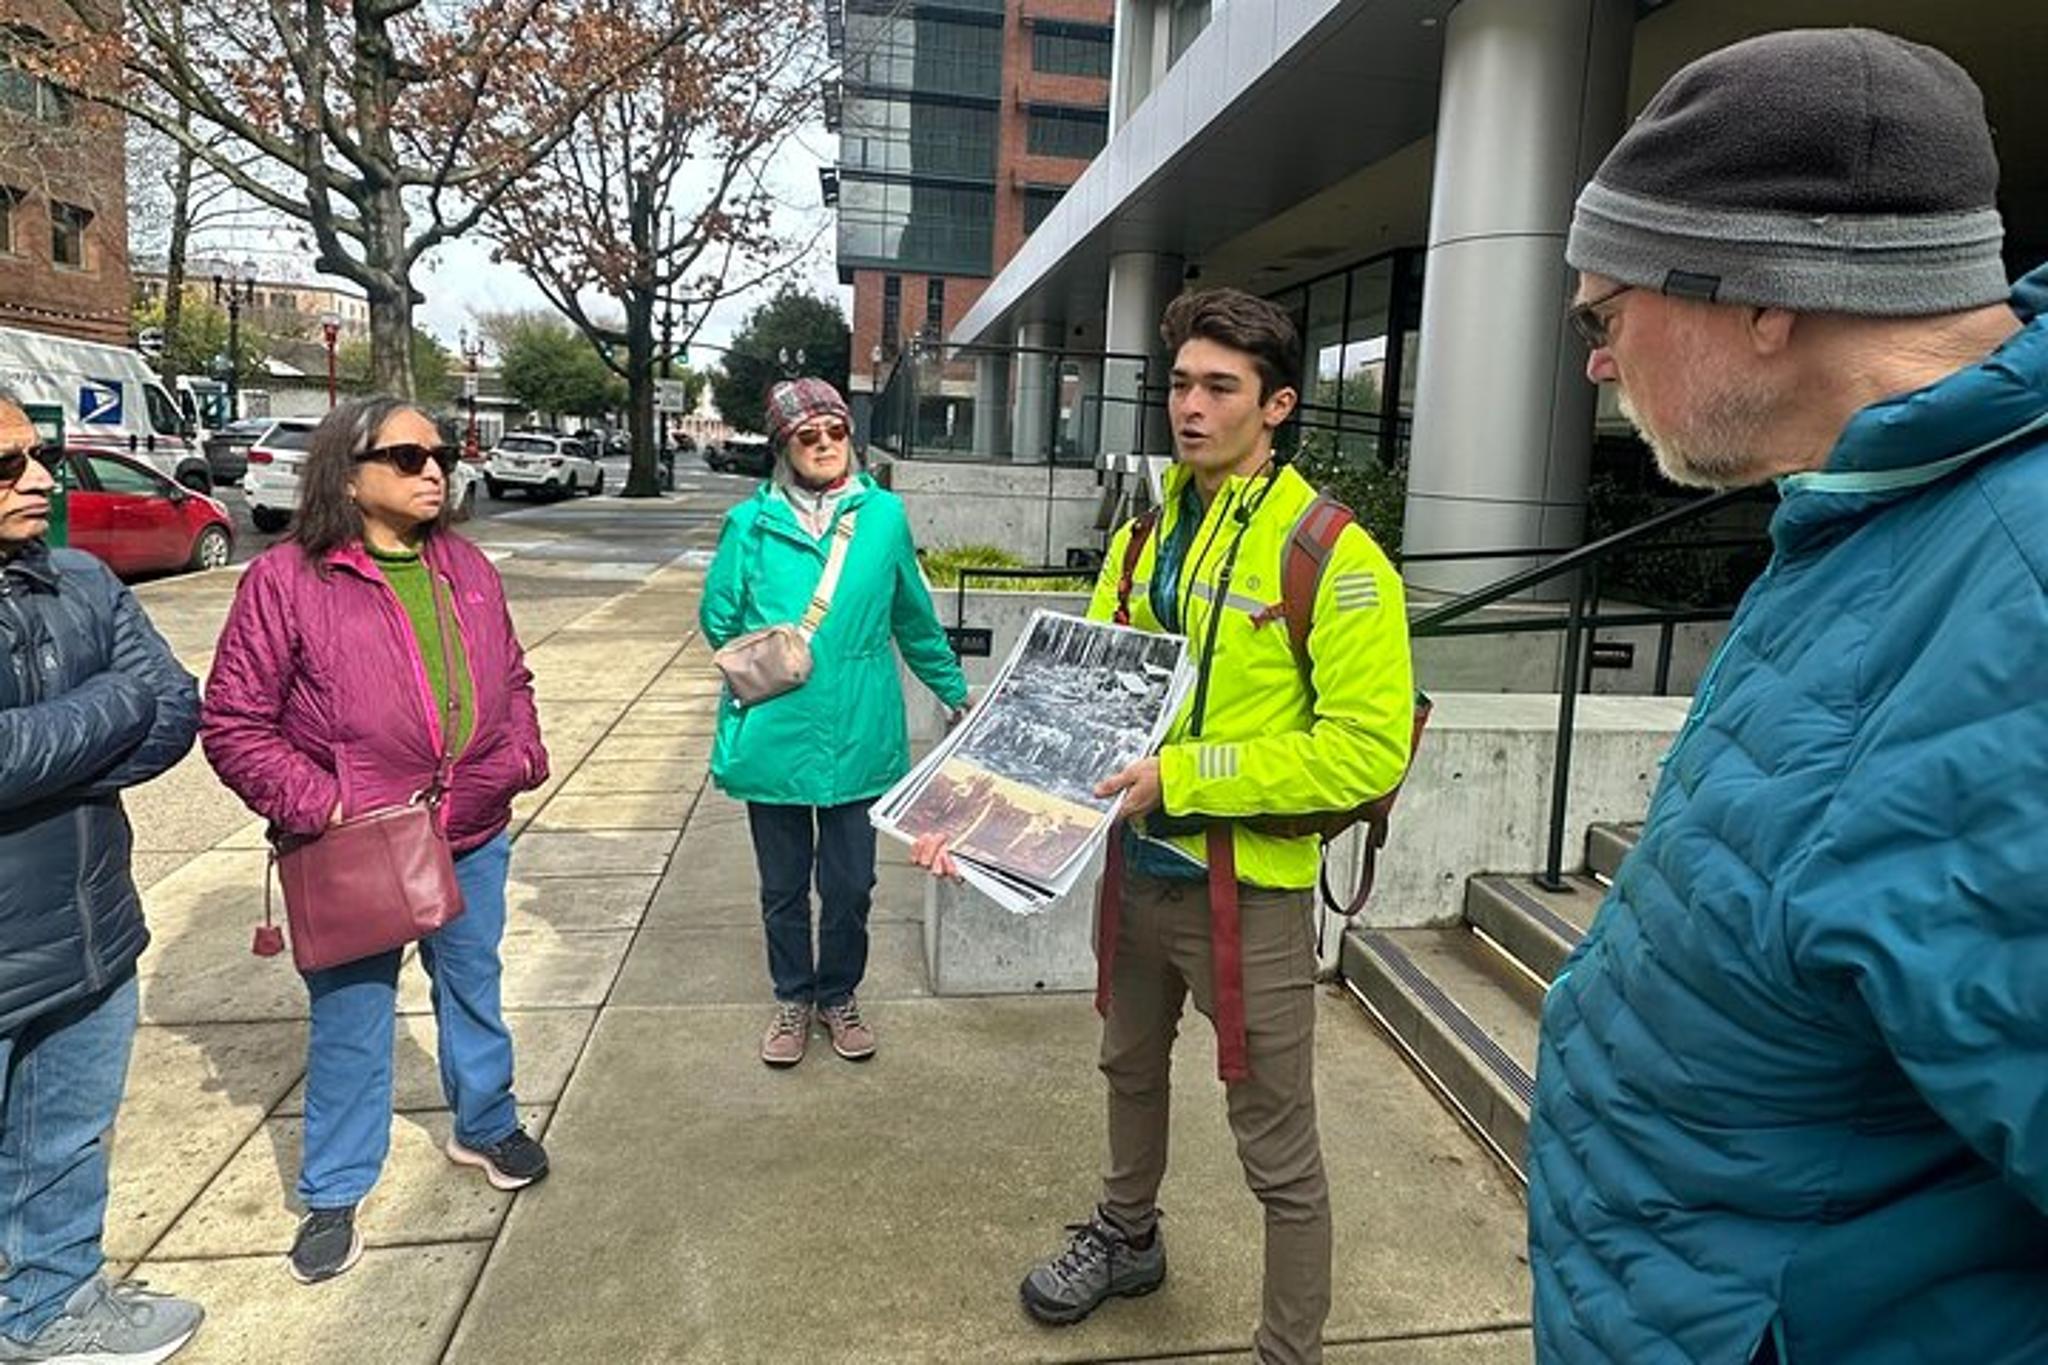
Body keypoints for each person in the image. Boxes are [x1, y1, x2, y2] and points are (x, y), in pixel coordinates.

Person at [1529, 29, 2048, 1365]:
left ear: (1764, 295)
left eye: (1604, 313)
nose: (1593, 359)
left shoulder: (2017, 597)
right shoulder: (1880, 519)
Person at [918, 291, 1414, 1364]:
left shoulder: (1332, 554)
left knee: (1276, 1148)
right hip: (1132, 878)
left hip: (1250, 895)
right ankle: (1126, 1237)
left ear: (1276, 404)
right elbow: (1065, 707)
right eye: (1179, 384)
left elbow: (1367, 750)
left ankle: (1288, 1349)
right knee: (1126, 1070)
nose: (1188, 407)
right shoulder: (1142, 536)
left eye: (1218, 388)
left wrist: (1183, 777)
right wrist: (976, 819)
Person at [201, 396, 551, 1286]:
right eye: (405, 456)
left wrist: (520, 753)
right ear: (347, 474)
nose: (433, 469)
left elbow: (510, 672)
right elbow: (236, 723)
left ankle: (486, 1120)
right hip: (355, 845)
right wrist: (322, 805)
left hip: (470, 828)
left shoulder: (466, 566)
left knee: (474, 984)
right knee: (352, 1020)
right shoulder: (285, 581)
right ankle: (335, 1186)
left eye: (440, 452)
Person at [0, 394, 206, 1362]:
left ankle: (55, 1306)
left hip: (90, 931)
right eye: (8, 468)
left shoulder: (76, 577)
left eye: (36, 457)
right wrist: (111, 704)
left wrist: (66, 745)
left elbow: (173, 710)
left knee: (66, 1142)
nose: (40, 480)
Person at [701, 378, 968, 1068]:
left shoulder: (883, 517)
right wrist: (774, 643)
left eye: (835, 432)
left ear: (849, 434)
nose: (823, 445)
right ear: (784, 445)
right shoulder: (749, 523)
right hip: (776, 729)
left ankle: (838, 992)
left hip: (862, 730)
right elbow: (718, 618)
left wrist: (955, 692)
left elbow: (912, 615)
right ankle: (793, 995)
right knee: (783, 885)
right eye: (806, 436)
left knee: (851, 885)